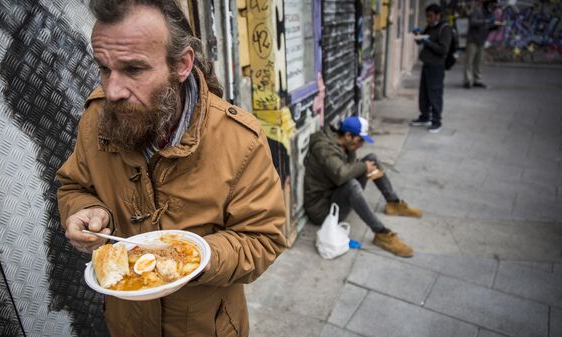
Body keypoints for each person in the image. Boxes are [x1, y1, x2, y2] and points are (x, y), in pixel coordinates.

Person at [56, 1, 287, 336]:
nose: (113, 90)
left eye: (133, 69)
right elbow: (74, 186)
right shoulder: (97, 117)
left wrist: (190, 258)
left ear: (182, 64)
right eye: (105, 69)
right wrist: (84, 209)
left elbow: (263, 239)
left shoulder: (241, 141)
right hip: (126, 323)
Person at [303, 116, 422, 257]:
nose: (361, 145)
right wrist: (363, 167)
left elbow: (348, 168)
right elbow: (341, 175)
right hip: (322, 209)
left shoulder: (342, 143)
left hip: (333, 192)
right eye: (360, 141)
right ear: (348, 135)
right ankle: (381, 233)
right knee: (352, 184)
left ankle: (393, 203)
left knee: (372, 159)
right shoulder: (325, 149)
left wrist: (365, 166)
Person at [410, 4, 453, 134]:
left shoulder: (445, 29)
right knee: (424, 93)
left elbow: (443, 49)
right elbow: (421, 40)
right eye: (427, 16)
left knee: (435, 93)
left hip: (437, 66)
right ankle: (424, 117)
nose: (428, 19)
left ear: (438, 16)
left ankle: (436, 121)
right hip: (427, 64)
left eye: (430, 16)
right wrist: (419, 35)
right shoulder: (430, 27)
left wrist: (428, 42)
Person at [464, 0, 504, 88]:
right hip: (473, 40)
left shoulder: (490, 14)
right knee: (469, 61)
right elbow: (472, 22)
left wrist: (495, 26)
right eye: (493, 5)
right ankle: (468, 80)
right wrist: (485, 21)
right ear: (488, 4)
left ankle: (477, 80)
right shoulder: (477, 10)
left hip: (481, 40)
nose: (494, 8)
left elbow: (488, 27)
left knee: (478, 62)